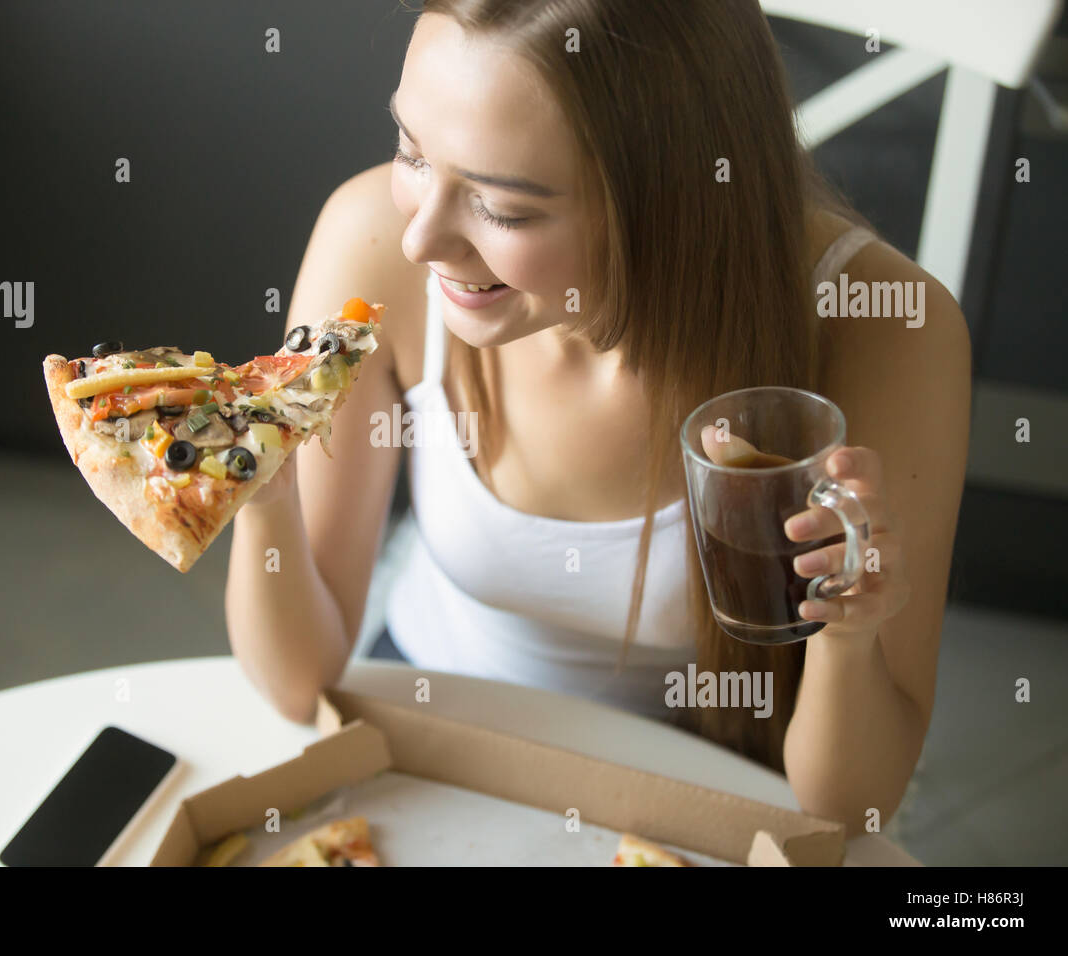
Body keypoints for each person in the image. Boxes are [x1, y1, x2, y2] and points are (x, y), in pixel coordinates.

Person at [224, 0, 970, 837]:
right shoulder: (370, 238)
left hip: (704, 779)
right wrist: (261, 492)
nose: (420, 240)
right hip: (430, 716)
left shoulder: (883, 327)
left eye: (503, 211)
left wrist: (846, 630)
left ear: (672, 202)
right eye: (410, 151)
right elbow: (295, 685)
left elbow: (850, 806)